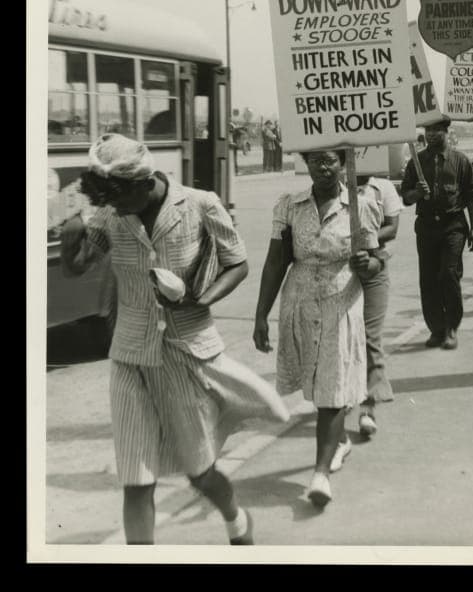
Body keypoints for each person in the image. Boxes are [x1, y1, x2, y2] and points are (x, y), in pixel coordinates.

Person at [60, 133, 281, 545]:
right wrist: (73, 226)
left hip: (185, 356)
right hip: (130, 359)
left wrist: (197, 299)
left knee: (201, 474)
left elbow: (238, 264)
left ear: (145, 183)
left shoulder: (200, 204)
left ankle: (236, 520)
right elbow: (76, 266)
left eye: (121, 200)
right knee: (137, 481)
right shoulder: (112, 215)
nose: (116, 210)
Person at [253, 148, 383, 507]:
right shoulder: (289, 206)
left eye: (331, 160)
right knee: (317, 384)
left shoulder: (360, 204)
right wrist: (261, 314)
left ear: (343, 163)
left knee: (331, 383)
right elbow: (275, 262)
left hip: (340, 304)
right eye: (316, 161)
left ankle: (320, 475)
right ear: (306, 163)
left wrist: (365, 262)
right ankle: (339, 441)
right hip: (299, 303)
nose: (324, 167)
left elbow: (376, 264)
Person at [400, 115, 473, 350]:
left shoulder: (460, 161)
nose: (431, 134)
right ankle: (436, 329)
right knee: (428, 279)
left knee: (448, 274)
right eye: (428, 129)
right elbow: (405, 197)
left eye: (437, 130)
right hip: (426, 227)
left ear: (447, 132)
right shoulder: (416, 162)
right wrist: (416, 193)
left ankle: (452, 328)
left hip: (453, 226)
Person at [353, 171, 402, 437]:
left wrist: (361, 240)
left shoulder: (382, 187)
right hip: (342, 270)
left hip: (375, 269)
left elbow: (392, 228)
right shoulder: (336, 186)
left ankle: (368, 407)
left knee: (369, 336)